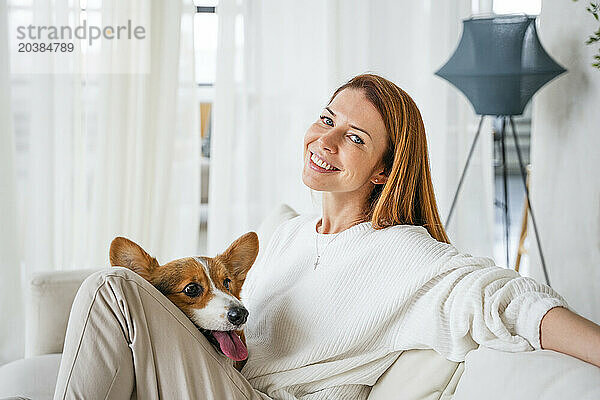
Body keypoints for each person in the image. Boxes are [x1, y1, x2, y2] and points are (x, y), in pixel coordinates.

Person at [54, 74, 600, 400]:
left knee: (112, 289)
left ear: (384, 171)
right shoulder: (290, 236)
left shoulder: (405, 254)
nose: (326, 139)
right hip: (229, 383)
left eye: (355, 137)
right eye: (326, 119)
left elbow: (509, 301)